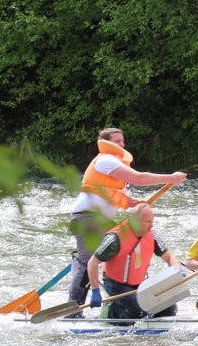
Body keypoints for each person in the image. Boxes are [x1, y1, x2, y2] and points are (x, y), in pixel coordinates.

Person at [67, 128, 187, 314]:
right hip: (87, 217)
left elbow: (112, 195)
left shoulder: (116, 163)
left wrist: (133, 202)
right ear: (106, 144)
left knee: (121, 251)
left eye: (122, 141)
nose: (122, 145)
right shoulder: (105, 160)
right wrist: (169, 178)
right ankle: (73, 311)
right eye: (117, 142)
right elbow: (138, 178)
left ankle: (118, 304)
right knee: (87, 262)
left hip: (103, 219)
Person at [86, 205, 182, 322]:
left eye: (152, 221)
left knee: (169, 308)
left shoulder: (153, 236)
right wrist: (95, 290)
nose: (151, 225)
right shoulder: (115, 238)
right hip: (116, 285)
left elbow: (169, 257)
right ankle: (111, 311)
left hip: (140, 284)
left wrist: (177, 269)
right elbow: (92, 262)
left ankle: (146, 320)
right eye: (147, 222)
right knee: (140, 311)